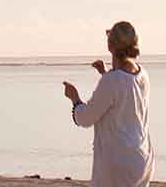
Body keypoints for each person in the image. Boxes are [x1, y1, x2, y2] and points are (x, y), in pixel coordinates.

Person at [62, 20, 152, 187]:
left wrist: (74, 98)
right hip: (142, 159)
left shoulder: (112, 81)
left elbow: (85, 118)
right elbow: (123, 95)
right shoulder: (142, 74)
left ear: (110, 46)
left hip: (118, 164)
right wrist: (104, 73)